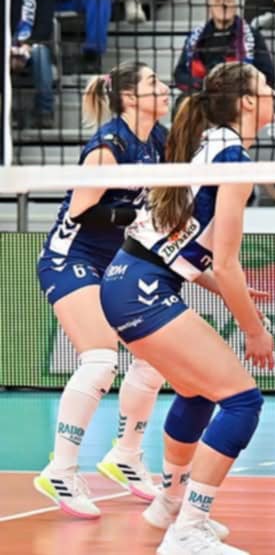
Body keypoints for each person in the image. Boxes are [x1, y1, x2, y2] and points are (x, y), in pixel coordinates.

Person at [99, 62, 275, 554]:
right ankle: (189, 530)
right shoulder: (233, 159)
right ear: (247, 102)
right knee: (242, 401)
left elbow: (187, 253)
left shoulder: (209, 141)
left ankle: (170, 505)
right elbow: (227, 262)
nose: (273, 92)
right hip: (143, 286)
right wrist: (254, 329)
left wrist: (234, 293)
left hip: (129, 279)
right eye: (265, 87)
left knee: (198, 392)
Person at [32, 63, 170, 518]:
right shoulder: (109, 147)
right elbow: (80, 212)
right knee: (100, 361)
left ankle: (126, 456)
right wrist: (132, 218)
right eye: (153, 84)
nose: (164, 88)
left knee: (156, 356)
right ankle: (61, 470)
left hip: (115, 262)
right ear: (130, 98)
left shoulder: (158, 140)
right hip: (69, 259)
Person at [173, 0, 275, 98]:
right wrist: (204, 84)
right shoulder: (196, 38)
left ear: (235, 6)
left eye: (228, 0)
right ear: (209, 8)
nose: (223, 4)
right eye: (217, 1)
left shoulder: (253, 36)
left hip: (239, 95)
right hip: (202, 94)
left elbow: (267, 75)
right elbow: (180, 74)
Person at [10, 0, 57, 129]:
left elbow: (45, 28)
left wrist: (26, 47)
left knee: (39, 51)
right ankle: (7, 113)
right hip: (6, 48)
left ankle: (45, 112)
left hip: (34, 47)